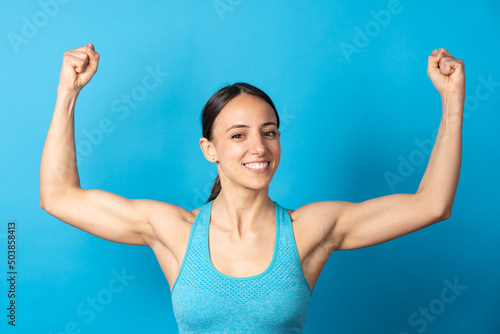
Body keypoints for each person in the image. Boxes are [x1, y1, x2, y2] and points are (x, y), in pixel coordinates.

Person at [40, 44, 465, 333]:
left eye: (270, 132)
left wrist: (452, 99)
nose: (259, 147)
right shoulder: (172, 229)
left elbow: (432, 204)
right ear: (210, 149)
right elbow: (58, 196)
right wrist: (68, 92)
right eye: (238, 135)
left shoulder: (309, 229)